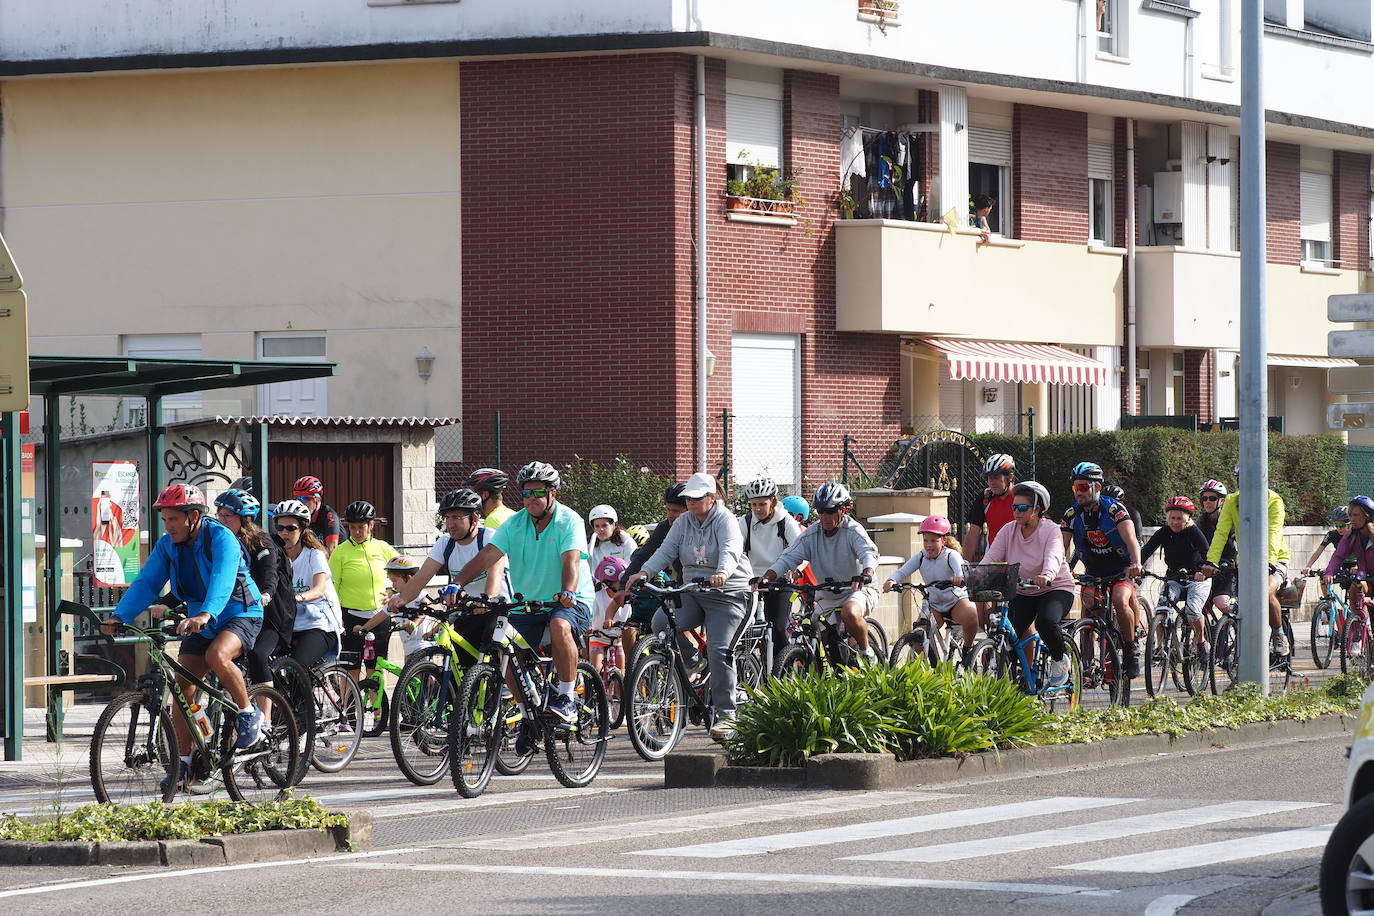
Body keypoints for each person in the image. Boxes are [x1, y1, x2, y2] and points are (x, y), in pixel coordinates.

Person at [102, 484, 266, 787]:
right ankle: (185, 761)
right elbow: (148, 581)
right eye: (165, 520)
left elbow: (222, 581)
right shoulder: (168, 545)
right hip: (199, 618)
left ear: (193, 516)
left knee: (217, 655)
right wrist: (119, 616)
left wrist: (206, 614)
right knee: (183, 688)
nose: (169, 526)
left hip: (239, 612)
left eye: (174, 519)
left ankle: (248, 712)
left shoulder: (221, 538)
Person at [451, 461, 594, 731]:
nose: (531, 499)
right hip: (527, 603)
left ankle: (567, 697)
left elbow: (571, 561)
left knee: (560, 624)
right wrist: (457, 583)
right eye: (526, 493)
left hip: (570, 599)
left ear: (553, 493)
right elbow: (486, 557)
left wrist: (568, 591)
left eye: (538, 492)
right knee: (501, 645)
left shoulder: (568, 520)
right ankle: (526, 714)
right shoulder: (514, 524)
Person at [626, 472, 753, 739]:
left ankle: (727, 716)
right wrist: (644, 573)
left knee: (720, 651)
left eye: (697, 498)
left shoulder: (725, 520)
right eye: (689, 499)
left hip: (729, 593)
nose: (692, 503)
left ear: (711, 497)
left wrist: (722, 573)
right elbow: (665, 551)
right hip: (694, 591)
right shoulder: (683, 522)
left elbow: (730, 550)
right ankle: (693, 662)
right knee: (661, 623)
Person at [756, 482, 882, 665]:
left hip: (857, 589)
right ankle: (829, 676)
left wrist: (866, 573)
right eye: (820, 511)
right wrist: (767, 577)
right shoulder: (811, 534)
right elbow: (788, 558)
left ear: (843, 510)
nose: (824, 516)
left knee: (850, 613)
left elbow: (868, 553)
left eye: (830, 511)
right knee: (817, 636)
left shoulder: (853, 530)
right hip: (827, 594)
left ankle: (865, 652)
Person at [384, 487, 510, 657]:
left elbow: (496, 573)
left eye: (457, 517)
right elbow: (422, 577)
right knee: (458, 665)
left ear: (474, 518)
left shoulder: (488, 537)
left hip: (497, 608)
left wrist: (486, 600)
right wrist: (401, 599)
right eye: (447, 517)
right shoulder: (445, 543)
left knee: (496, 653)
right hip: (468, 611)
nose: (450, 524)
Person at [982, 481, 1075, 686]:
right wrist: (976, 575)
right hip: (1023, 590)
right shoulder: (1008, 530)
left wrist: (1047, 574)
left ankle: (1060, 660)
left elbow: (1054, 555)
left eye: (1022, 507)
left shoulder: (1050, 530)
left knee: (1045, 621)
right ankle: (1019, 682)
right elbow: (992, 556)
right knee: (1009, 635)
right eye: (1014, 507)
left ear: (1037, 509)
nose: (1016, 512)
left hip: (1055, 588)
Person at [1060, 461, 1144, 679]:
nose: (1078, 493)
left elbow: (1132, 540)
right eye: (1075, 488)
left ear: (1097, 487)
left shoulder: (1114, 509)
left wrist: (1136, 563)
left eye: (1083, 488)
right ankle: (1086, 662)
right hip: (1093, 569)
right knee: (1089, 604)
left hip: (1121, 567)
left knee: (1119, 599)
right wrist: (1059, 569)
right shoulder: (1071, 514)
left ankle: (1129, 648)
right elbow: (1061, 548)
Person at [1199, 464, 1291, 657]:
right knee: (1239, 607)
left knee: (1264, 591)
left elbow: (1273, 533)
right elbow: (1221, 533)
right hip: (1246, 561)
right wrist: (1211, 562)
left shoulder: (1274, 500)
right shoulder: (1232, 501)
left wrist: (1268, 563)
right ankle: (1241, 659)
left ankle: (1278, 634)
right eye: (1243, 480)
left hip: (1275, 559)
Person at [212, 489, 295, 701]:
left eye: (227, 516)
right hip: (238, 613)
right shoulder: (219, 542)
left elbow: (270, 575)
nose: (221, 520)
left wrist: (266, 593)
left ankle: (264, 720)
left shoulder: (261, 543)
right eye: (219, 514)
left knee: (258, 654)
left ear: (245, 520)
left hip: (272, 616)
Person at [884, 515, 977, 658]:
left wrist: (959, 578)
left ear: (943, 540)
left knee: (971, 616)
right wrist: (892, 580)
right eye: (925, 540)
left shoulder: (951, 555)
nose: (928, 545)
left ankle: (968, 650)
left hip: (955, 602)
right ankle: (924, 672)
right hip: (934, 604)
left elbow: (960, 570)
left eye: (933, 541)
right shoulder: (921, 556)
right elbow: (904, 570)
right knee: (919, 636)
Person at [332, 500, 399, 691]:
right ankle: (349, 714)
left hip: (379, 617)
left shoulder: (382, 547)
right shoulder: (340, 552)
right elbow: (332, 589)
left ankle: (379, 713)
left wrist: (393, 591)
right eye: (352, 527)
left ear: (371, 525)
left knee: (375, 669)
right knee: (351, 669)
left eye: (361, 527)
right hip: (351, 618)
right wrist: (337, 621)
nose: (357, 532)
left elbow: (407, 569)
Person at [618, 482, 690, 660]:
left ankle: (694, 659)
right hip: (683, 579)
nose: (670, 515)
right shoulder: (665, 527)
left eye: (676, 511)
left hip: (707, 582)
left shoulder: (697, 526)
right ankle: (687, 662)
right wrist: (623, 585)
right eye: (668, 509)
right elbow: (645, 555)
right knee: (665, 622)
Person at [1140, 496, 1214, 664]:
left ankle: (1201, 641)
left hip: (1197, 579)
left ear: (1187, 519)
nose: (1175, 522)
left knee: (1193, 611)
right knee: (1161, 609)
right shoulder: (1164, 532)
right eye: (1172, 518)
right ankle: (1160, 648)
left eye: (1179, 519)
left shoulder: (1194, 531)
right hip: (1174, 577)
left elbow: (1207, 554)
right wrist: (1136, 565)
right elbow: (1146, 551)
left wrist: (1204, 570)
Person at [738, 477, 803, 661]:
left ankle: (783, 670)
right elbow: (733, 550)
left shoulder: (786, 522)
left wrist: (796, 569)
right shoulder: (745, 522)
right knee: (746, 629)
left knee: (778, 627)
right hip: (753, 583)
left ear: (773, 501)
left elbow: (801, 550)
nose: (757, 509)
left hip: (781, 582)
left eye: (762, 504)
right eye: (754, 504)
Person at [272, 499, 342, 668]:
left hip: (319, 625)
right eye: (280, 528)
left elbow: (319, 589)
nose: (284, 533)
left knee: (296, 666)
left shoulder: (314, 555)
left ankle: (303, 694)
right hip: (289, 625)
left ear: (302, 529)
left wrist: (295, 598)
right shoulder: (275, 557)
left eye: (290, 528)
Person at [358, 556, 438, 659]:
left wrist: (414, 623)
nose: (392, 584)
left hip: (423, 646)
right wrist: (363, 629)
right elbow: (381, 615)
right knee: (409, 675)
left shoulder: (421, 596)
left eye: (395, 580)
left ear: (409, 578)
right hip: (408, 649)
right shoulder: (395, 599)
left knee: (421, 674)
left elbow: (423, 613)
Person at [963, 454, 1017, 564]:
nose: (992, 482)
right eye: (989, 478)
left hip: (1019, 557)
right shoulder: (985, 497)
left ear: (1010, 477)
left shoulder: (1021, 497)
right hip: (994, 559)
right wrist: (963, 567)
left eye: (996, 477)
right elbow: (973, 534)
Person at [1196, 479, 1236, 616]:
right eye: (1204, 498)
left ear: (1222, 501)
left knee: (1221, 601)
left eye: (1212, 498)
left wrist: (1229, 563)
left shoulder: (1230, 521)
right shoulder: (1200, 522)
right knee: (1198, 605)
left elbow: (1235, 547)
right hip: (1208, 570)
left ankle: (1234, 621)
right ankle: (1208, 634)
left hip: (1227, 571)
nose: (1207, 502)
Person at [1323, 497, 1374, 607]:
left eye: (1356, 515)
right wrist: (1329, 572)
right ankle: (1357, 621)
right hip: (1365, 578)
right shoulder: (1351, 536)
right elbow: (1338, 556)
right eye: (1350, 515)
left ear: (1367, 516)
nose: (1352, 519)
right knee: (1354, 589)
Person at [587, 556, 631, 677]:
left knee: (621, 672)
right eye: (619, 584)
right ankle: (592, 693)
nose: (623, 586)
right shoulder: (597, 597)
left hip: (618, 640)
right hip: (599, 638)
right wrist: (589, 626)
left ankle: (619, 694)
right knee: (595, 670)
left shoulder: (626, 598)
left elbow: (630, 616)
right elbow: (590, 614)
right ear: (607, 583)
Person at [292, 475, 342, 556]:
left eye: (305, 498)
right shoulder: (300, 515)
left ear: (317, 499)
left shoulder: (328, 515)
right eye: (298, 498)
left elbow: (332, 550)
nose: (300, 503)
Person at [1303, 506, 1355, 578]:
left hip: (1357, 563)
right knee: (1323, 578)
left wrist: (1358, 566)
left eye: (1342, 525)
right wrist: (1308, 566)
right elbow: (1318, 551)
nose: (1339, 528)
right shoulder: (1332, 534)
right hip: (1341, 563)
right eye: (1336, 525)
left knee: (1357, 586)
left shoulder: (1356, 534)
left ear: (1350, 524)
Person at [588, 505, 637, 570]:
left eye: (604, 525)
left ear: (614, 525)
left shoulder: (627, 542)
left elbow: (632, 567)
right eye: (597, 526)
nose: (601, 529)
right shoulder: (590, 546)